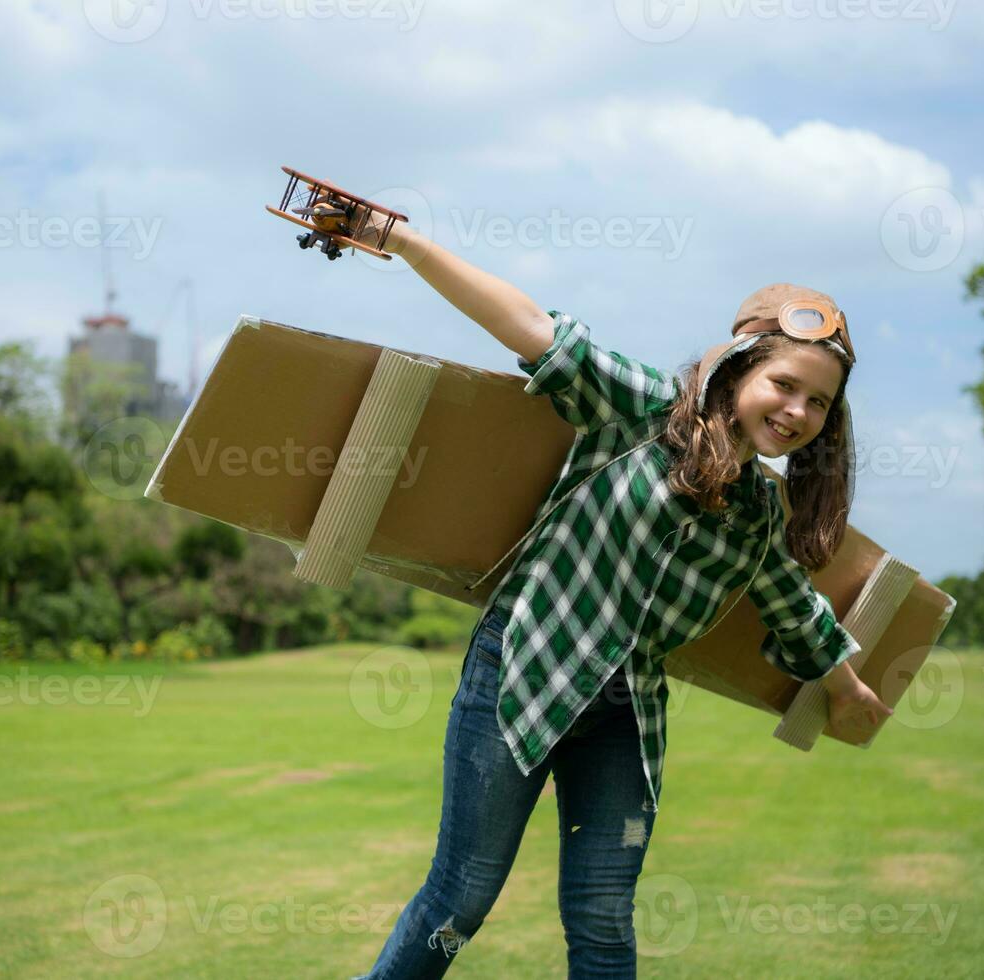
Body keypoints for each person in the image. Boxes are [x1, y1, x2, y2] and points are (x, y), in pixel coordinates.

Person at [340, 212, 893, 979]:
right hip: (522, 668)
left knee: (603, 921)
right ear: (737, 370)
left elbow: (796, 611)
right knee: (458, 901)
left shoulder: (761, 517)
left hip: (623, 715)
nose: (797, 411)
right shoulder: (639, 412)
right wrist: (403, 243)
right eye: (785, 385)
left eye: (818, 403)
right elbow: (528, 324)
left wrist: (848, 685)